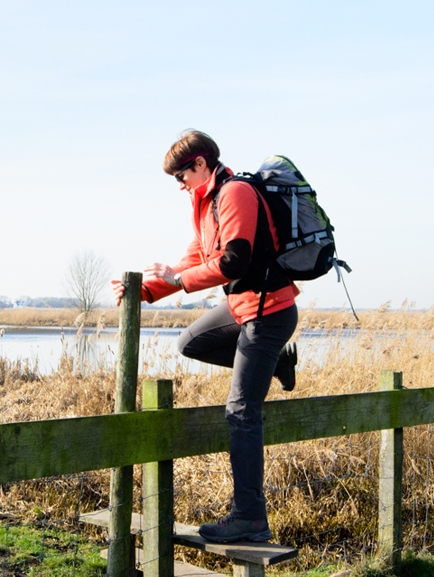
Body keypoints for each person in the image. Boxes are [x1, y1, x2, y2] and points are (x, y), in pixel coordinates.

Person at [111, 129, 298, 544]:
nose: (179, 185)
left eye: (181, 175)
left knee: (241, 411)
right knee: (190, 342)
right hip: (243, 309)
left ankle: (250, 517)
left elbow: (233, 261)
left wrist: (180, 278)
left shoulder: (234, 194)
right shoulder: (205, 204)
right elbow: (193, 261)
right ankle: (279, 362)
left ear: (200, 163)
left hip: (269, 312)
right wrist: (145, 291)